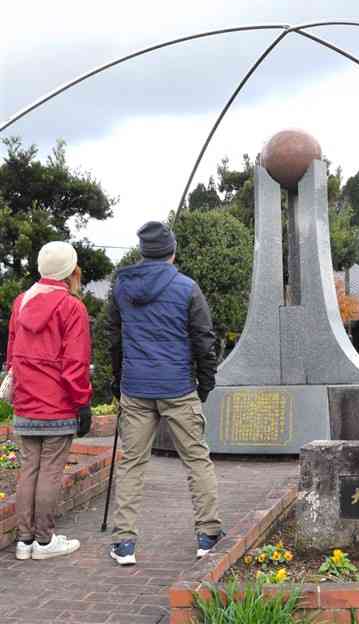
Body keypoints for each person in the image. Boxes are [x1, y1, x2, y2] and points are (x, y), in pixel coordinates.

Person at [107, 220, 223, 566]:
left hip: (136, 386)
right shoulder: (187, 287)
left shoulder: (120, 287)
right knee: (197, 460)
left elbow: (113, 338)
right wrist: (206, 382)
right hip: (177, 386)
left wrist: (117, 380)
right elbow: (204, 340)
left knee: (131, 463)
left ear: (143, 251)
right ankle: (208, 534)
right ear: (171, 251)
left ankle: (124, 542)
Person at [6, 241, 92, 560]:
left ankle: (24, 541)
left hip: (26, 401)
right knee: (50, 472)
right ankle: (44, 542)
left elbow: (12, 354)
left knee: (29, 469)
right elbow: (76, 364)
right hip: (56, 404)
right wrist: (82, 403)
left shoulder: (21, 302)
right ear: (70, 271)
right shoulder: (72, 307)